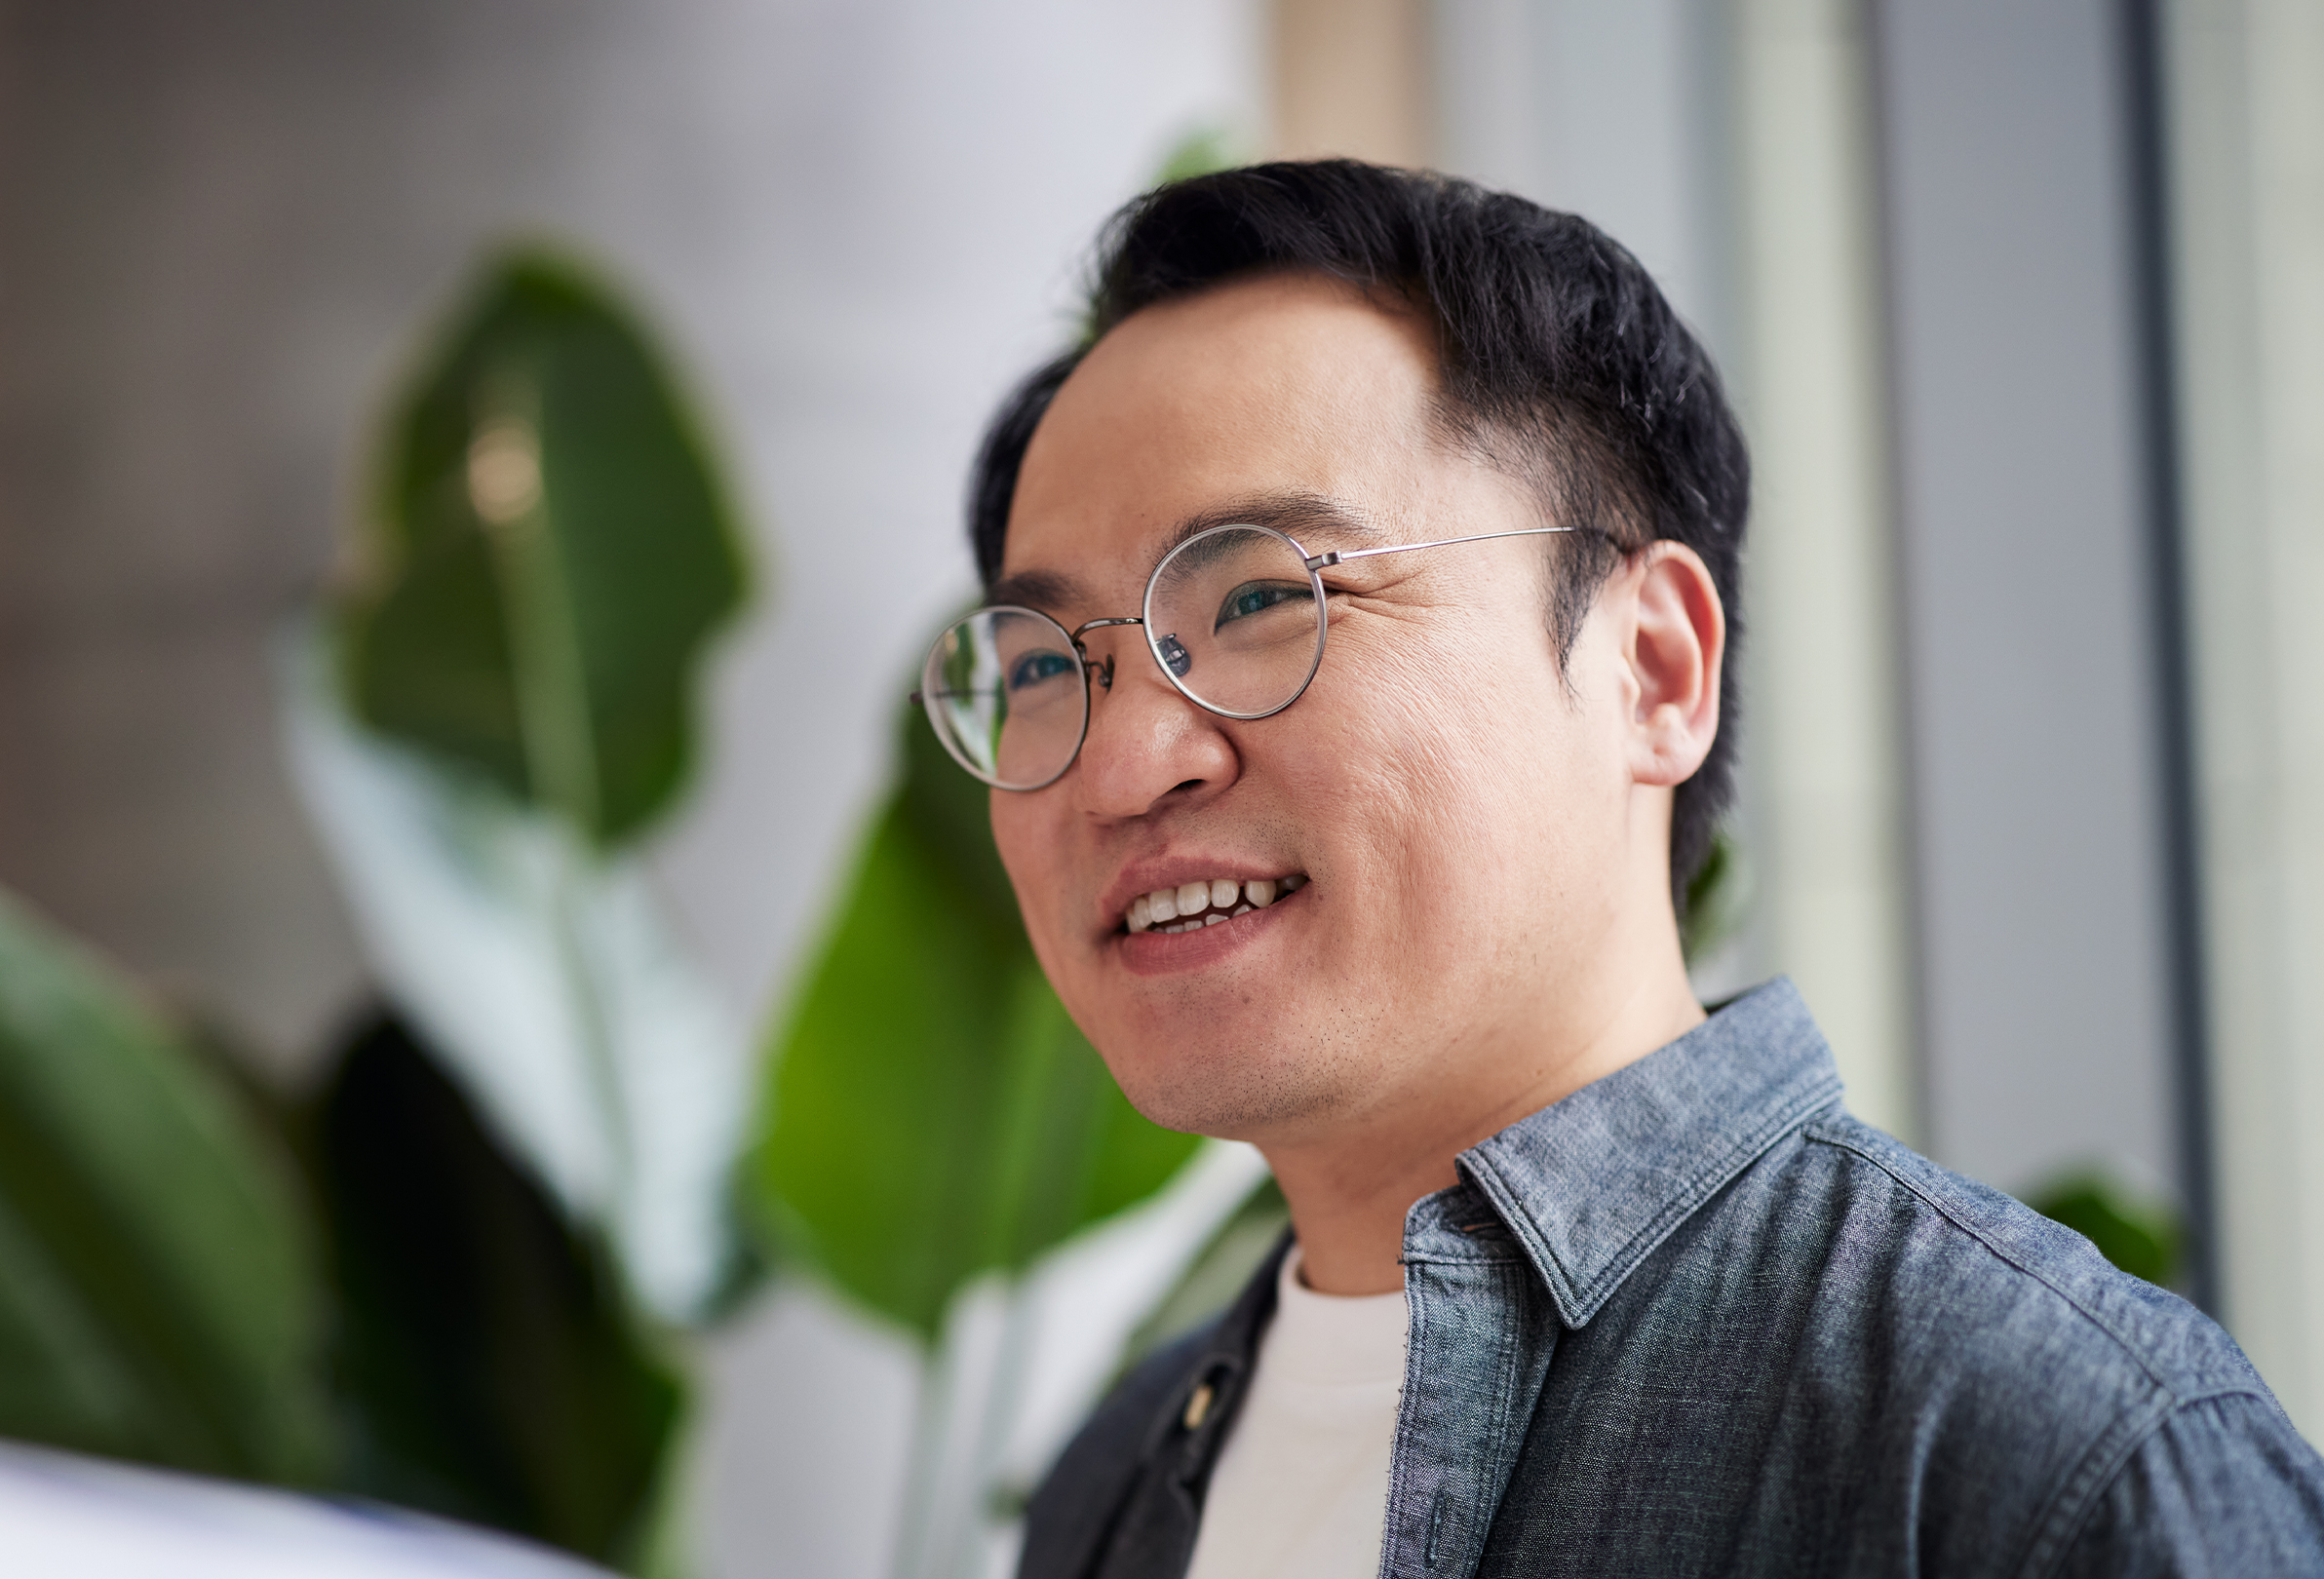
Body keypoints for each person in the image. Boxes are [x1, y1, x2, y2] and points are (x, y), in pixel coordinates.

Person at [911, 161, 2324, 1577]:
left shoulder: (2052, 1455)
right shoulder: (1111, 1488)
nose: (1117, 766)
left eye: (1265, 597)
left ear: (1653, 669)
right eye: (1043, 665)